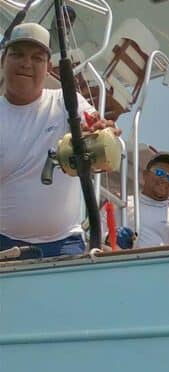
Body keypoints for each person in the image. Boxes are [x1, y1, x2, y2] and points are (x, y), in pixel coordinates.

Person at [0, 22, 119, 258]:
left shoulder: (67, 102)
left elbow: (92, 125)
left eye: (36, 58)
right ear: (3, 61)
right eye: (18, 55)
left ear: (49, 67)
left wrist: (102, 130)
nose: (26, 63)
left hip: (65, 244)